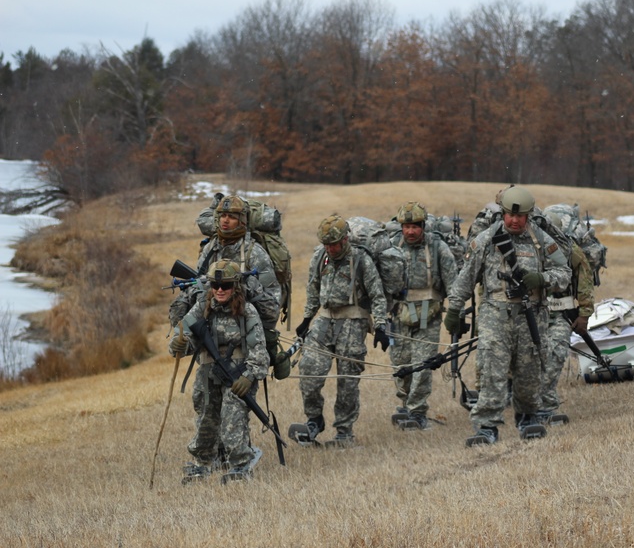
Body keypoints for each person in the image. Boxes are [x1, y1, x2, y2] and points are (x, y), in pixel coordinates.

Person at [444, 186, 571, 446]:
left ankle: (528, 417)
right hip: (494, 314)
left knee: (529, 370)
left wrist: (542, 279)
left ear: (528, 216)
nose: (514, 221)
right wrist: (454, 310)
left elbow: (564, 274)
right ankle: (486, 426)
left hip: (531, 314)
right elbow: (466, 278)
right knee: (491, 368)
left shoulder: (542, 241)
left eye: (520, 217)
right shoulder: (487, 240)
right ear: (502, 214)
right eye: (509, 216)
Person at [168, 195, 282, 457]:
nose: (225, 221)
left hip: (243, 338)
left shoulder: (255, 254)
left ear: (242, 220)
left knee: (235, 405)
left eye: (231, 217)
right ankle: (211, 454)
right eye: (221, 216)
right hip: (209, 333)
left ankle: (239, 453)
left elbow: (272, 306)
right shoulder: (210, 249)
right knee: (207, 404)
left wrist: (244, 290)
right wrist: (182, 320)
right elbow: (198, 287)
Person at [293, 215, 390, 446]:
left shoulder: (361, 259)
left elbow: (377, 294)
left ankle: (344, 432)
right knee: (309, 371)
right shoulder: (320, 257)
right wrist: (307, 319)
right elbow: (313, 289)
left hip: (352, 322)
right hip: (325, 321)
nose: (331, 248)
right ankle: (314, 419)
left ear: (345, 239)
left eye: (335, 244)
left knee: (347, 381)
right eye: (327, 244)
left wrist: (380, 326)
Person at [169, 260, 270, 483]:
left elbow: (259, 351)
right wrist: (179, 345)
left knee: (232, 416)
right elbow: (183, 336)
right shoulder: (202, 307)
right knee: (206, 416)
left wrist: (249, 377)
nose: (220, 290)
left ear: (235, 286)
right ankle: (203, 463)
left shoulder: (247, 311)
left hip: (238, 372)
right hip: (207, 371)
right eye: (215, 285)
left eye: (225, 285)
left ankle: (240, 464)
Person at [389, 202, 458, 430]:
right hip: (398, 318)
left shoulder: (438, 248)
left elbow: (454, 284)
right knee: (401, 365)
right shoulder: (391, 248)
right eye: (406, 226)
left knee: (422, 366)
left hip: (429, 316)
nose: (410, 231)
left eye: (415, 227)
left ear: (423, 226)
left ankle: (418, 411)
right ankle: (406, 403)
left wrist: (455, 314)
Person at [536, 212, 595, 425]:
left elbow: (585, 282)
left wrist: (585, 314)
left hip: (561, 314)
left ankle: (546, 404)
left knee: (555, 355)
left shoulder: (571, 251)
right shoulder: (529, 249)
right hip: (533, 314)